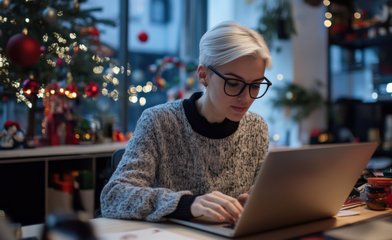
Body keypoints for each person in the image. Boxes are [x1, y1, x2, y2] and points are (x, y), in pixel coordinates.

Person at [100, 21, 272, 224]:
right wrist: (187, 205)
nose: (246, 98)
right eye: (233, 84)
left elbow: (264, 193)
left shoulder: (256, 128)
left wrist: (264, 199)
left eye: (255, 85)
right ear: (203, 75)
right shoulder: (159, 121)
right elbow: (113, 197)